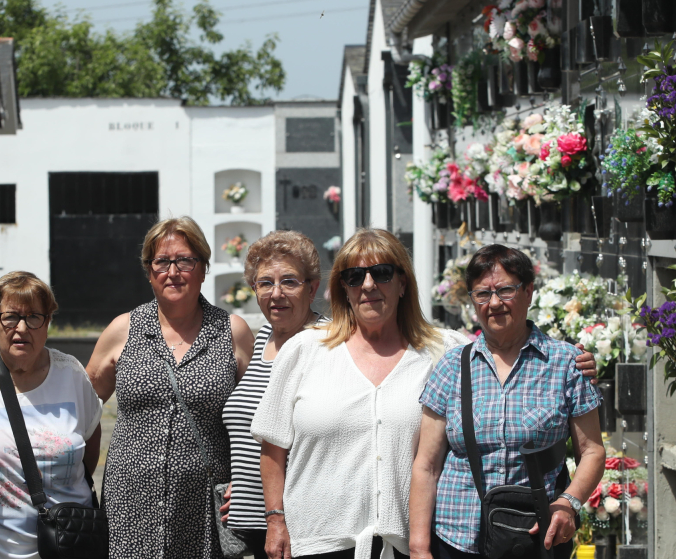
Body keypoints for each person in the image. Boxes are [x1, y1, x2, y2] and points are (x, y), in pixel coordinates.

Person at [251, 231, 597, 559]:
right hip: (315, 540)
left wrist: (570, 359)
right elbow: (273, 447)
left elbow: (503, 345)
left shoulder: (441, 350)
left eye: (382, 273)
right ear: (343, 288)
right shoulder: (304, 349)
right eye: (355, 277)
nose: (368, 285)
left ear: (403, 283)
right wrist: (275, 519)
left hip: (401, 542)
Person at [408, 244, 606, 559]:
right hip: (456, 540)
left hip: (531, 537)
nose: (495, 303)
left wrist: (569, 503)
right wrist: (419, 548)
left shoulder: (567, 363)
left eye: (506, 290)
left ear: (528, 292)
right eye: (482, 294)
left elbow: (593, 451)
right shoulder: (451, 367)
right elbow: (427, 465)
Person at [86, 216, 256, 559]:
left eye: (185, 260)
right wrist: (79, 476)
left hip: (205, 507)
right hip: (130, 504)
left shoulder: (232, 332)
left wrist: (247, 479)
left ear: (204, 268)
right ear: (149, 271)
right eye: (161, 261)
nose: (173, 271)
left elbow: (256, 417)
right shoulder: (123, 330)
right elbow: (84, 408)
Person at [0, 271, 102, 559]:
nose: (22, 328)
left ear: (48, 323)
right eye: (10, 317)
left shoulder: (71, 374)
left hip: (67, 547)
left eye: (34, 317)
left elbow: (89, 452)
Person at [220, 231, 328, 558]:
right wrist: (239, 478)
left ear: (312, 288)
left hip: (297, 526)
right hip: (252, 523)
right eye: (265, 283)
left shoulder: (325, 344)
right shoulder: (264, 336)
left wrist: (278, 515)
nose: (276, 294)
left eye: (289, 282)